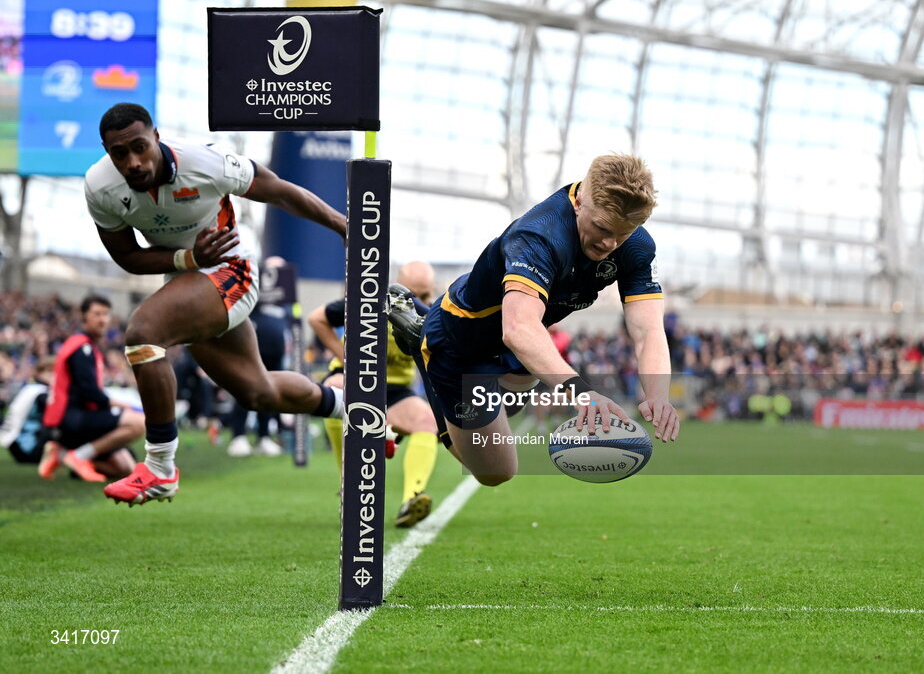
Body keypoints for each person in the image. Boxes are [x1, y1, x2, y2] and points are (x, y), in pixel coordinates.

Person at [85, 103, 347, 506]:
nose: (133, 162)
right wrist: (188, 260)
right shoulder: (100, 186)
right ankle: (357, 412)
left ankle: (159, 467)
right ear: (107, 151)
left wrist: (344, 227)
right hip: (189, 281)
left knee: (143, 333)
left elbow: (277, 189)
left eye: (140, 147)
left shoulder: (204, 161)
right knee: (258, 393)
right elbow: (128, 257)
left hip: (232, 271)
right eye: (120, 153)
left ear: (156, 138)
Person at [389, 154, 680, 486]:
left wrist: (657, 394)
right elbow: (518, 328)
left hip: (520, 342)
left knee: (508, 408)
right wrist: (581, 393)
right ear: (581, 199)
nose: (610, 243)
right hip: (462, 344)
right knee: (496, 472)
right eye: (601, 227)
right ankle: (420, 336)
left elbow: (648, 329)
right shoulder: (539, 236)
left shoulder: (637, 246)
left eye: (623, 234)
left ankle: (461, 394)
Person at [309, 261, 441, 528]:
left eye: (425, 295)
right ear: (399, 286)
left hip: (396, 394)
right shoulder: (369, 299)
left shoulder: (437, 313)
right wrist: (346, 358)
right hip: (356, 382)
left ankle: (411, 500)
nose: (419, 302)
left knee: (428, 421)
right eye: (413, 294)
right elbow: (317, 318)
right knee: (335, 388)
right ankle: (349, 488)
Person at [40, 295, 146, 481]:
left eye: (106, 314)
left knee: (125, 468)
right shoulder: (82, 348)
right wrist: (119, 405)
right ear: (84, 316)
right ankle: (78, 457)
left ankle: (64, 454)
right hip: (71, 419)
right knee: (139, 422)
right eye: (97, 314)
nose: (103, 319)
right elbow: (89, 392)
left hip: (78, 419)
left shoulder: (86, 345)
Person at [225, 298, 288, 457]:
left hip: (275, 357)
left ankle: (264, 436)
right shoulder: (255, 291)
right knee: (244, 392)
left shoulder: (281, 301)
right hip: (249, 354)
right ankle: (239, 436)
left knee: (268, 394)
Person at [1, 357, 55, 466]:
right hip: (28, 448)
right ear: (40, 373)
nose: (53, 375)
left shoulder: (31, 388)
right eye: (50, 371)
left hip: (15, 445)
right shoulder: (41, 392)